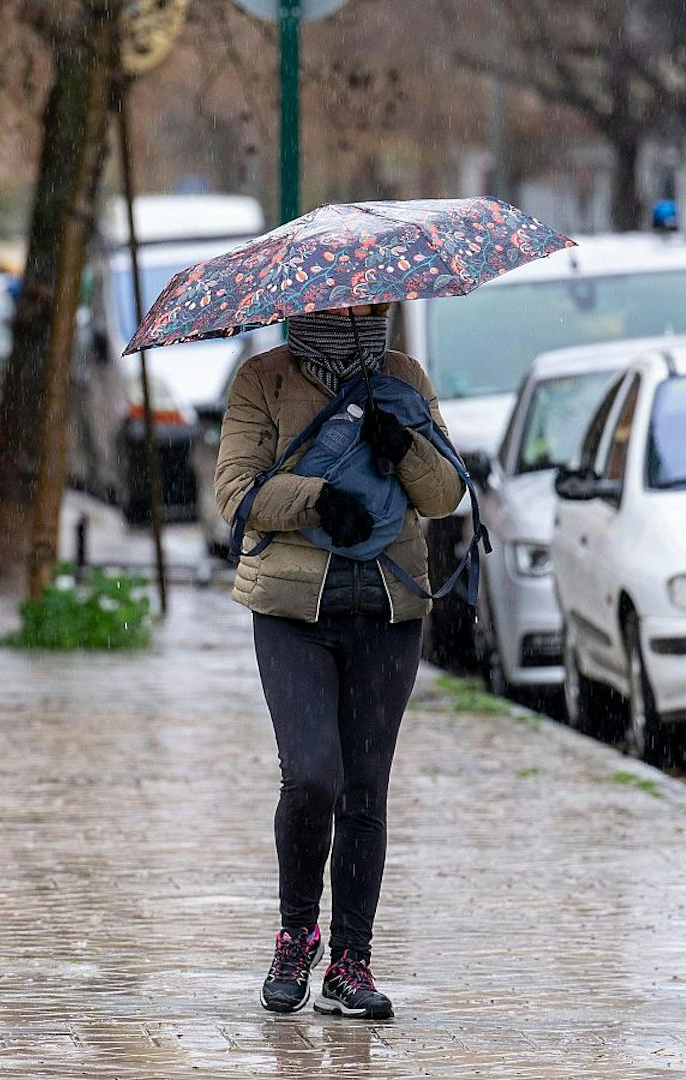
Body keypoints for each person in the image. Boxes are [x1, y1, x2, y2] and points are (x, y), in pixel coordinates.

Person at [213, 304, 465, 1020]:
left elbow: (445, 494)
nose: (365, 313)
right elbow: (235, 490)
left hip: (389, 611)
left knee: (364, 788)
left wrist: (404, 446)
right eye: (350, 302)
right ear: (312, 303)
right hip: (294, 612)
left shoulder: (403, 377)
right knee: (312, 775)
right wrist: (317, 501)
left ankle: (351, 961)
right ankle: (298, 933)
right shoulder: (264, 379)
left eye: (374, 301)